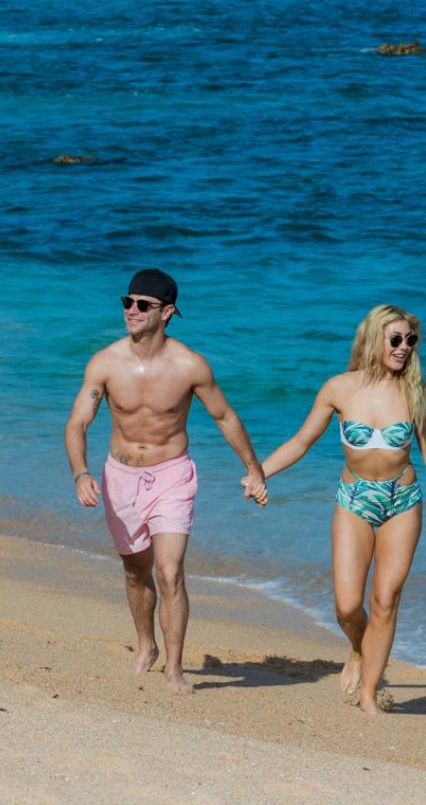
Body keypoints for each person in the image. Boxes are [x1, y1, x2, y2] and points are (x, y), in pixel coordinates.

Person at [255, 304, 426, 715]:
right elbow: (301, 442)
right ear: (374, 339)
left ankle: (369, 694)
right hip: (353, 500)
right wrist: (260, 472)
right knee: (348, 605)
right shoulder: (339, 388)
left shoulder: (416, 391)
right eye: (395, 339)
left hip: (402, 501)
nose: (404, 347)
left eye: (410, 340)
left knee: (386, 599)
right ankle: (358, 647)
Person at [64, 268, 268, 694]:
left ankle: (174, 667)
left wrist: (253, 468)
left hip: (172, 474)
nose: (132, 311)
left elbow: (225, 416)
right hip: (119, 477)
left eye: (143, 305)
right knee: (136, 571)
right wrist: (80, 472)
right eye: (128, 302)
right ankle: (146, 647)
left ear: (168, 312)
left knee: (169, 571)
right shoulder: (105, 362)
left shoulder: (189, 365)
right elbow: (78, 423)